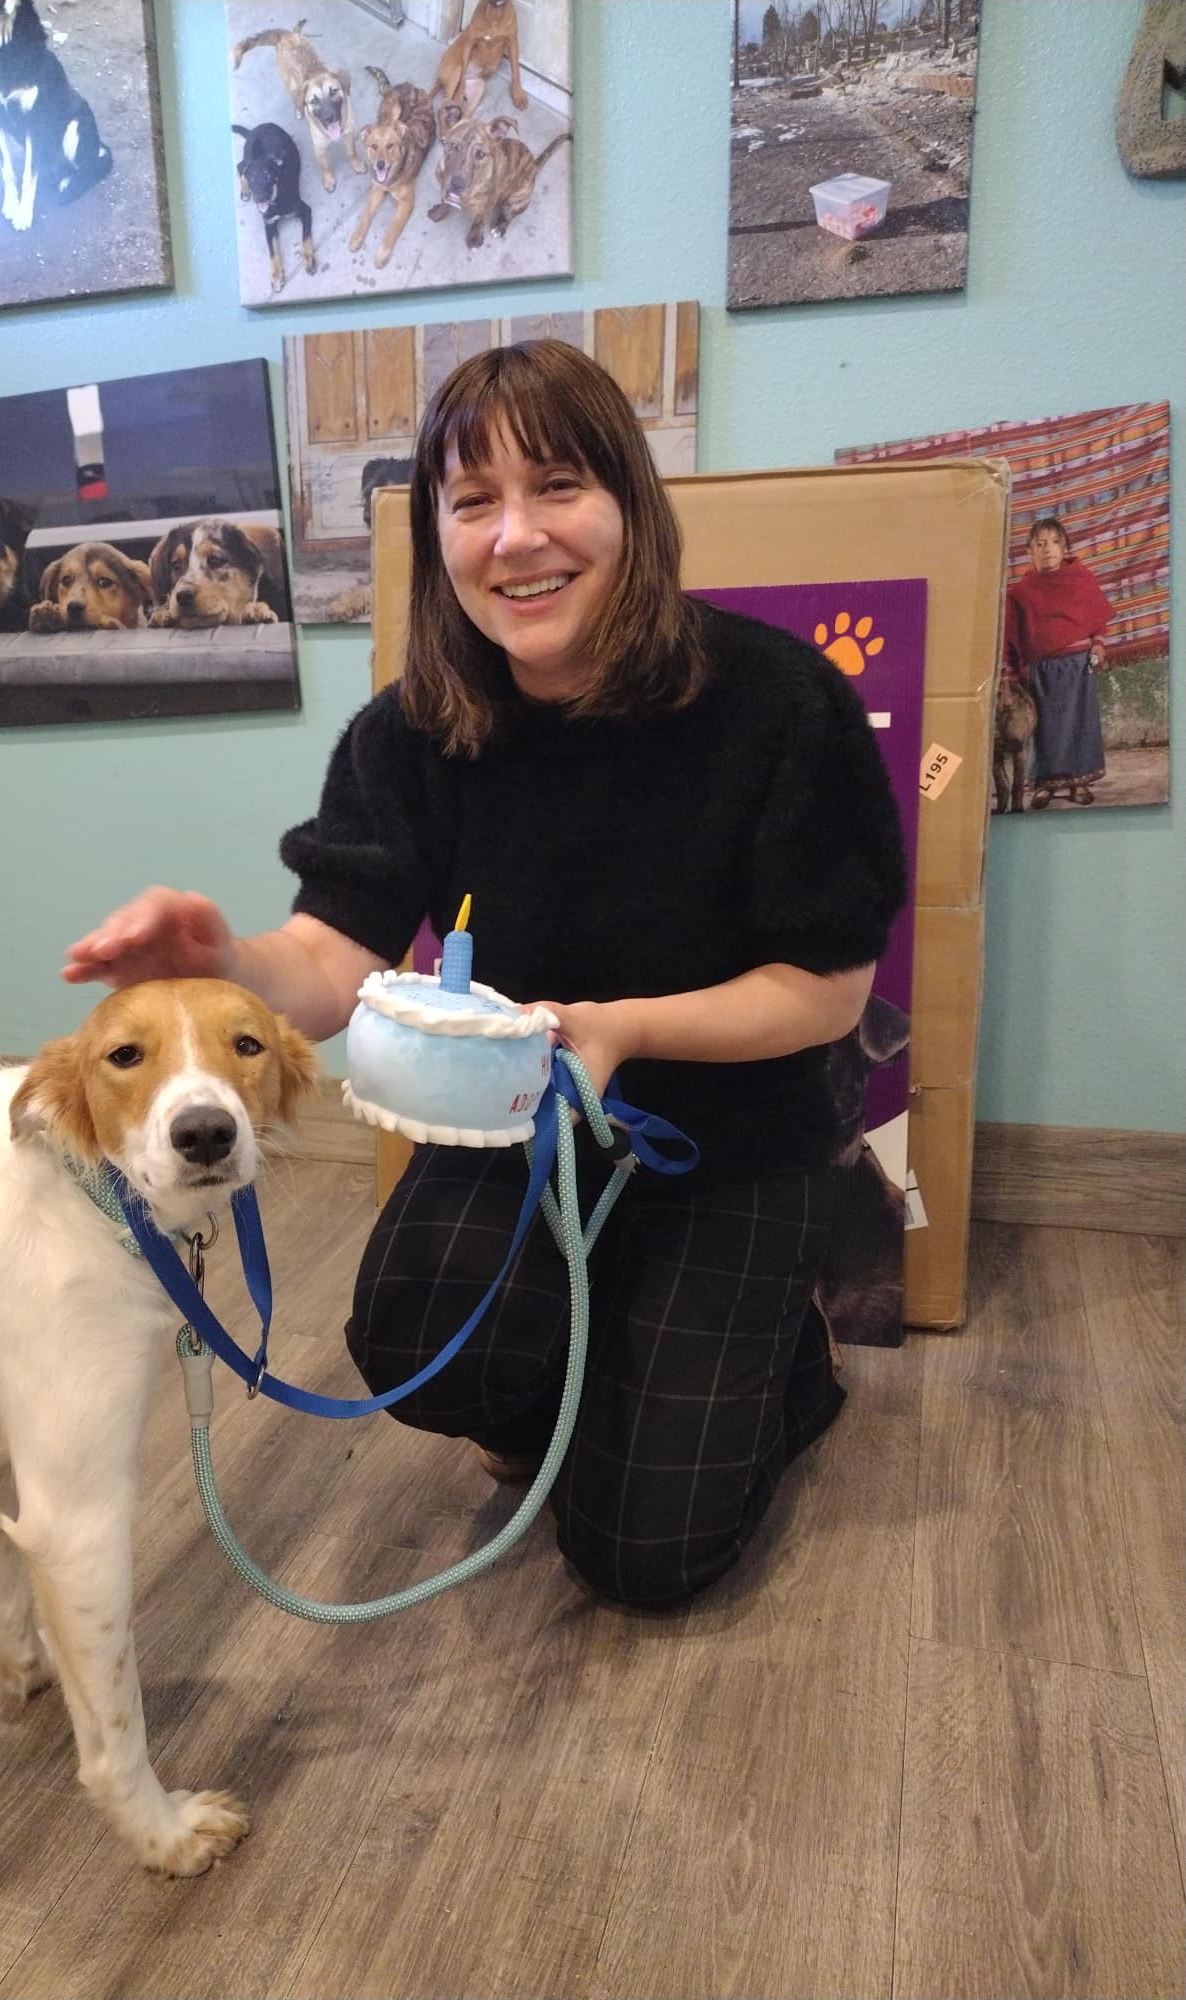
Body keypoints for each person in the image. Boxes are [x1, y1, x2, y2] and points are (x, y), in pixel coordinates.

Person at [65, 340, 905, 1611]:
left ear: (629, 504)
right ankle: (592, 1363)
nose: (516, 537)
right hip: (517, 1130)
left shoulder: (781, 704)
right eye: (473, 502)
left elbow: (829, 991)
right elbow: (330, 962)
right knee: (416, 1338)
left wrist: (620, 1028)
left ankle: (780, 1360)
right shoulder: (411, 732)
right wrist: (226, 965)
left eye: (557, 485)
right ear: (439, 538)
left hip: (730, 1147)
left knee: (643, 1557)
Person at [1003, 515, 1114, 808]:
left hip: (1078, 667)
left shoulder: (1081, 579)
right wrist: (1012, 674)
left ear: (1064, 548)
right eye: (1040, 544)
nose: (1048, 549)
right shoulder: (1020, 593)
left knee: (1080, 724)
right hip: (1040, 672)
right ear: (1029, 552)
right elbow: (1010, 637)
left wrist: (1099, 643)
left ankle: (1079, 782)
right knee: (1044, 729)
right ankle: (1045, 785)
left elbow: (1097, 619)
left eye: (1054, 542)